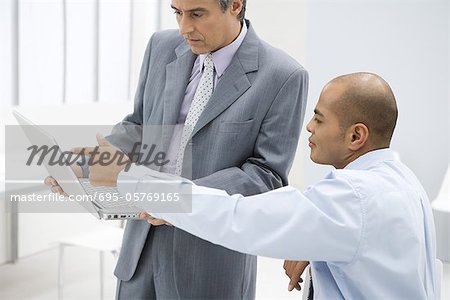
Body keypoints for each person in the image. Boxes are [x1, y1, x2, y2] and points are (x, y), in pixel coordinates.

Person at [46, 0, 308, 298]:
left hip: (208, 260)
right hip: (140, 248)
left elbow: (265, 175)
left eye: (197, 14)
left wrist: (175, 198)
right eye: (177, 12)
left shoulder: (283, 75)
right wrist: (87, 165)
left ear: (235, 5)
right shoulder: (161, 46)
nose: (184, 28)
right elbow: (139, 125)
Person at [127, 72, 436, 299]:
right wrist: (319, 248)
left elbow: (240, 218)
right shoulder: (403, 181)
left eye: (319, 119)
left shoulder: (353, 198)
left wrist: (138, 183)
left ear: (356, 136)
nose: (309, 127)